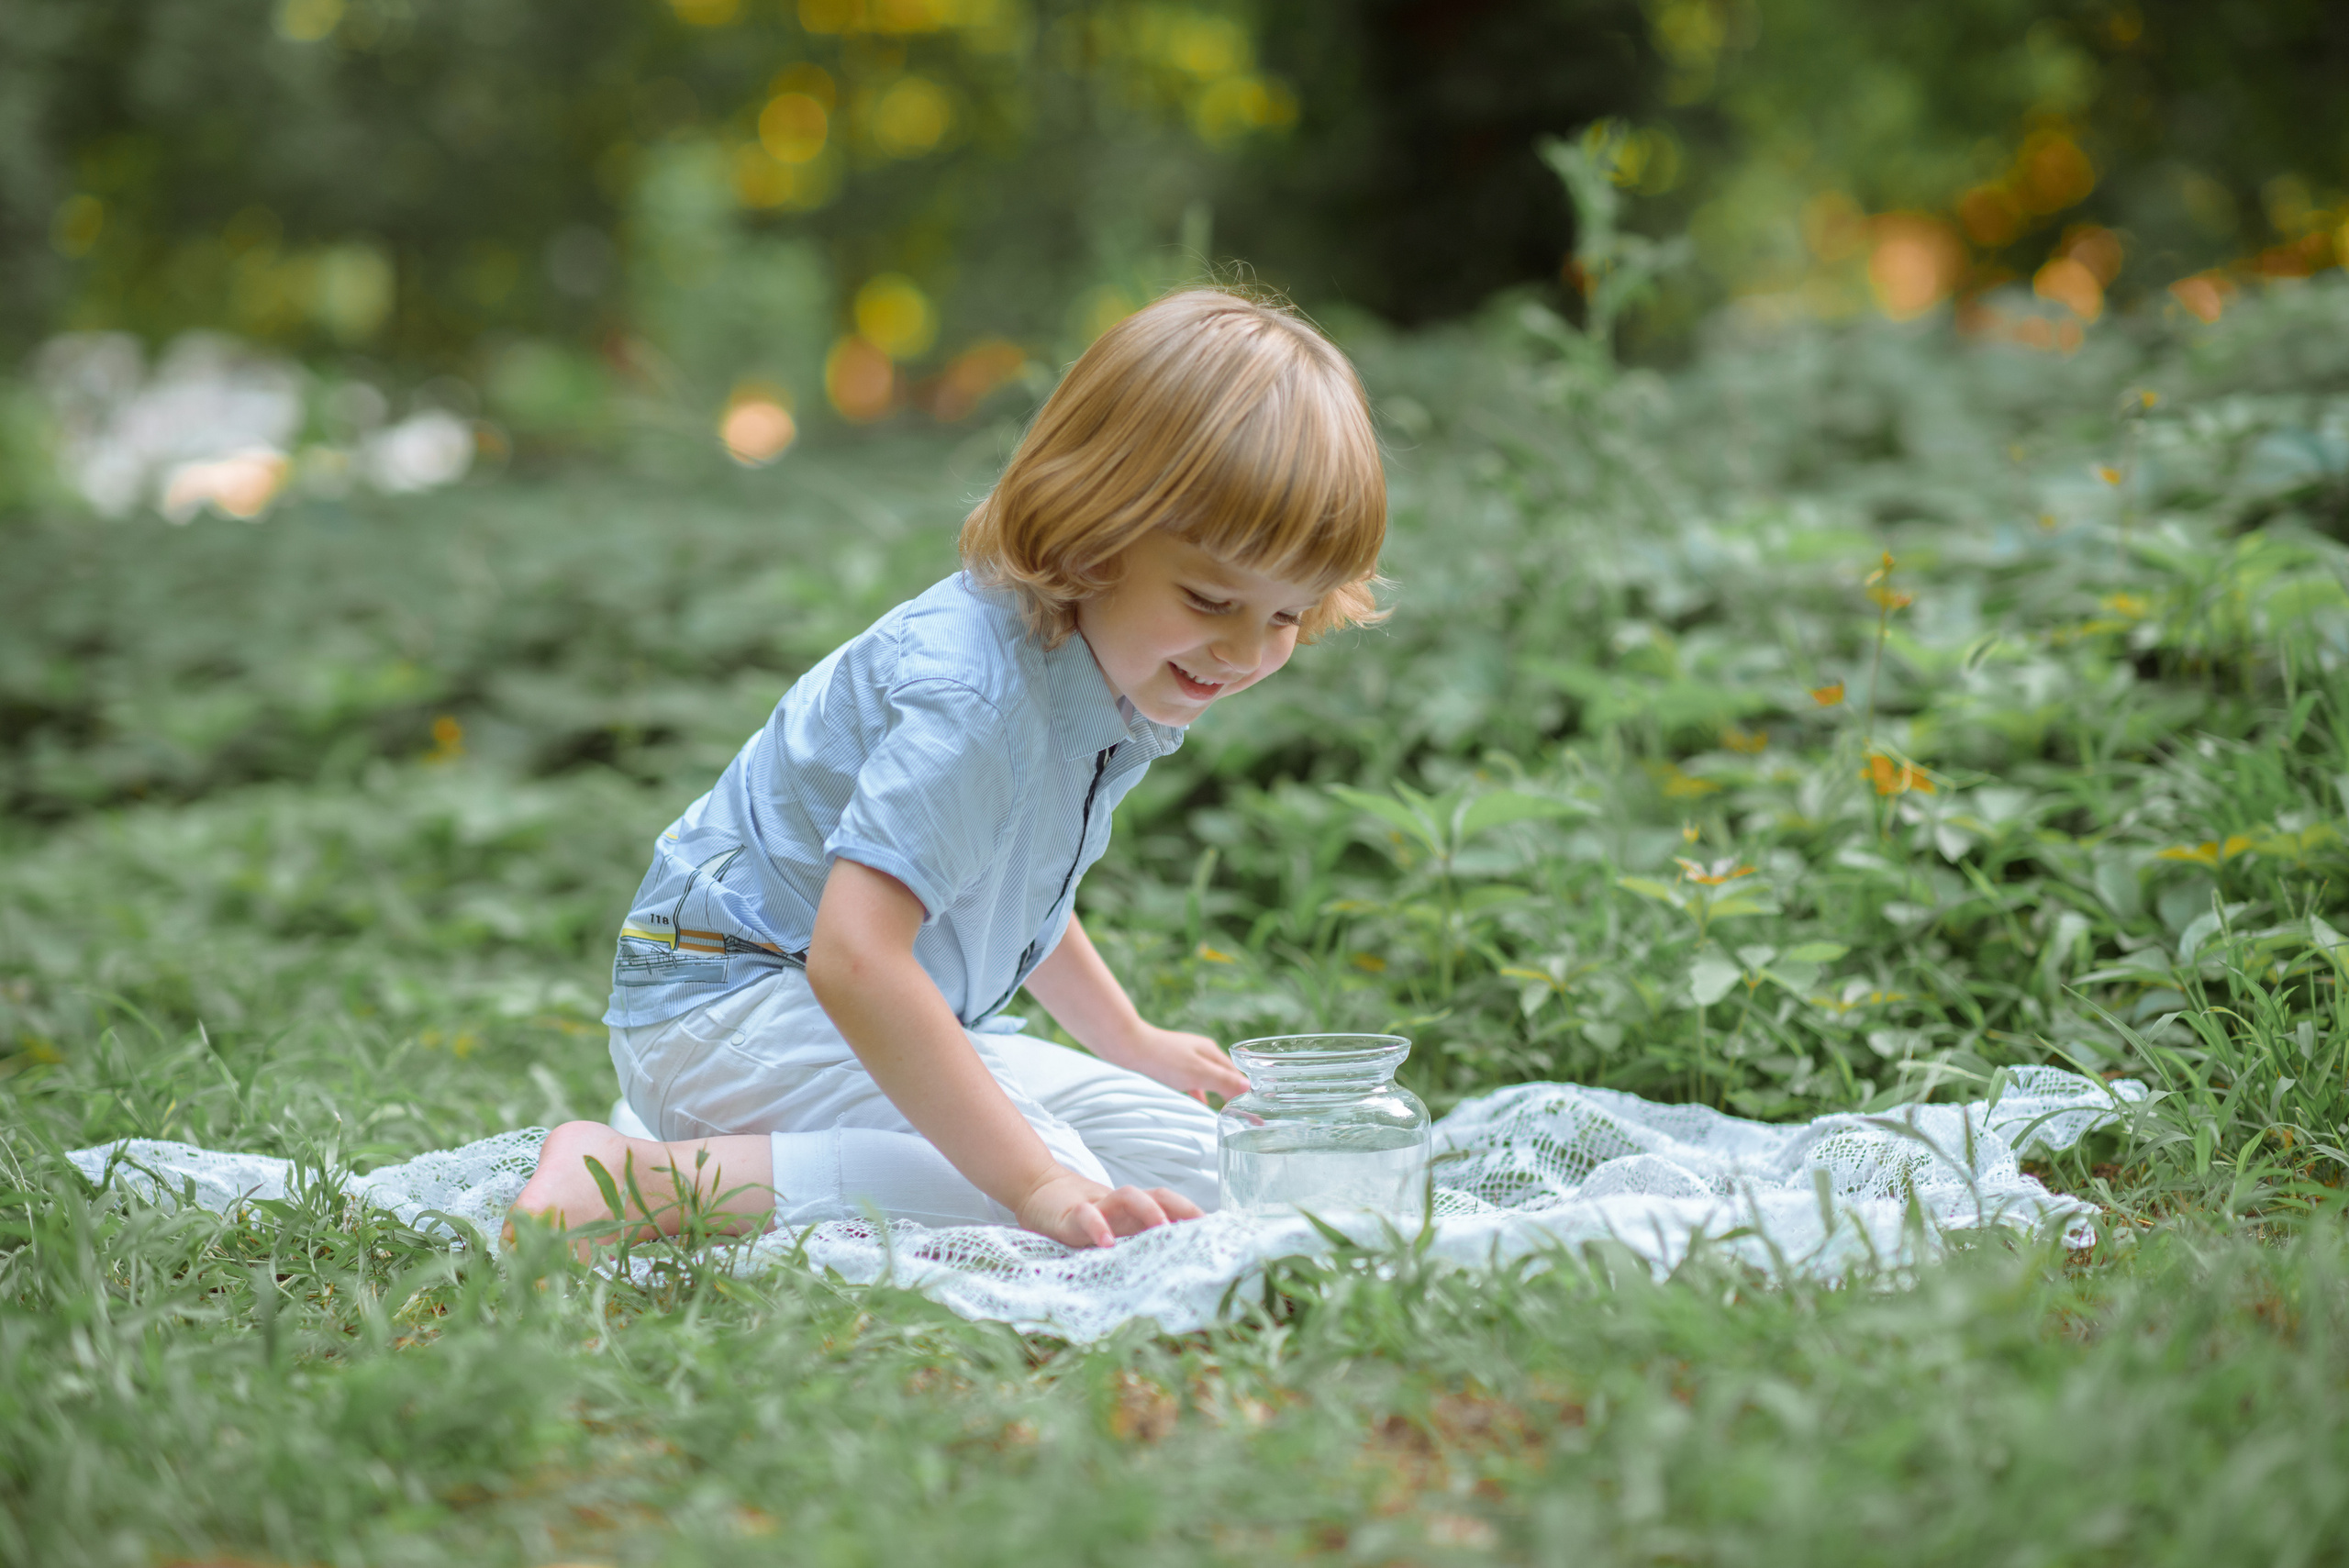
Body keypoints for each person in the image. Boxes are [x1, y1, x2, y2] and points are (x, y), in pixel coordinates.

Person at [508, 289, 1386, 1252]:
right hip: (728, 1006)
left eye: (1288, 614)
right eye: (1212, 596)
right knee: (1060, 1194)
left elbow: (1000, 880)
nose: (1246, 649)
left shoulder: (1098, 672)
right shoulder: (975, 700)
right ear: (1090, 532)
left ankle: (770, 1149)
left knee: (1210, 1161)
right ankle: (633, 1177)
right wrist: (1034, 1181)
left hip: (839, 1005)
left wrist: (1129, 1039)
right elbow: (857, 956)